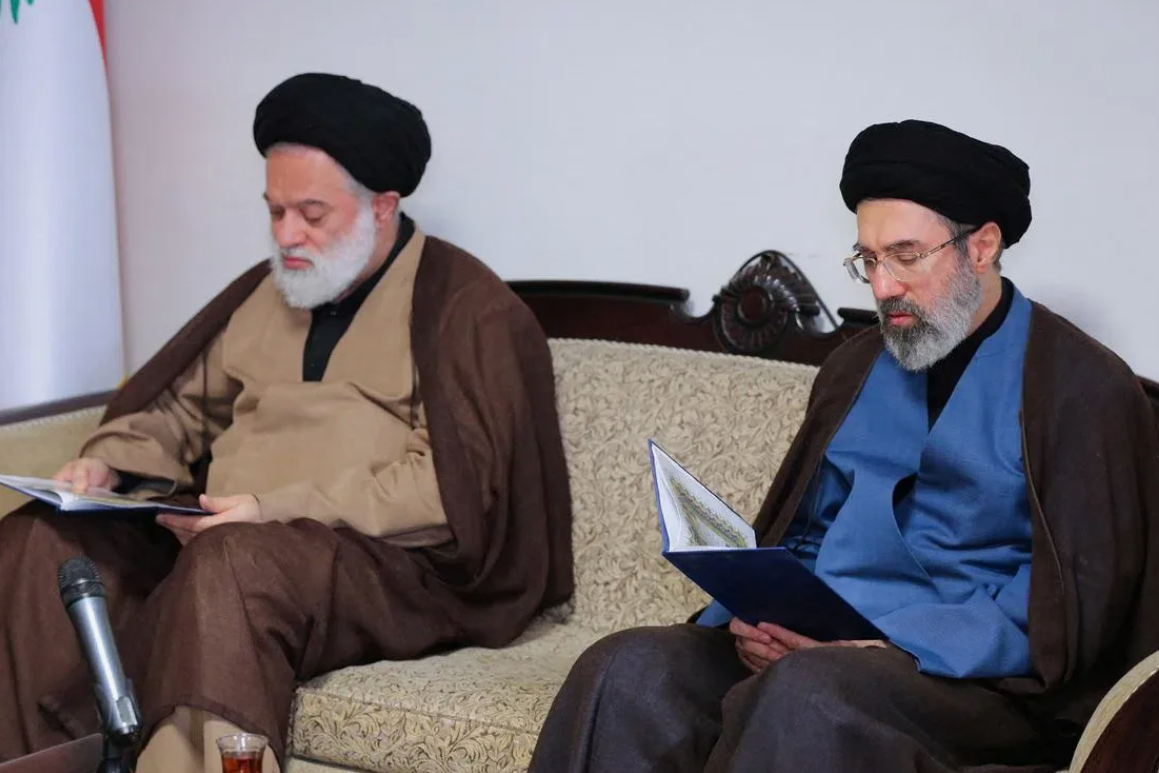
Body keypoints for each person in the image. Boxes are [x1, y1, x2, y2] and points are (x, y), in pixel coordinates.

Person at [528, 119, 1159, 773]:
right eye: (869, 260)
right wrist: (760, 617)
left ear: (981, 245)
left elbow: (1069, 611)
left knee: (808, 697)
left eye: (906, 255)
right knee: (626, 667)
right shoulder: (853, 368)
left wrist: (893, 645)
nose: (883, 287)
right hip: (819, 650)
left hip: (975, 682)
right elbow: (801, 534)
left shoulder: (1082, 387)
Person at [0, 72, 573, 773]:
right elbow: (180, 411)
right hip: (223, 536)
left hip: (381, 568)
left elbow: (447, 489)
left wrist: (269, 511)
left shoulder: (466, 309)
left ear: (383, 205)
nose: (286, 235)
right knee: (39, 541)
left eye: (311, 213)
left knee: (232, 563)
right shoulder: (271, 292)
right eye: (274, 211)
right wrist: (109, 462)